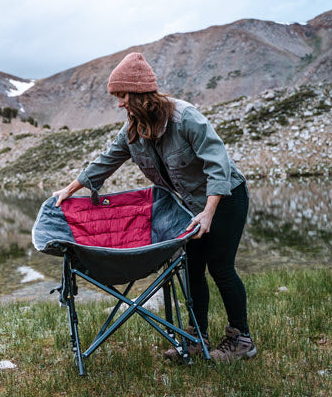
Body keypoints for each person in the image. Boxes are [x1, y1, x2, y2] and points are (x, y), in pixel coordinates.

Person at [52, 52, 256, 363]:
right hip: (189, 206)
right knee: (192, 270)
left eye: (122, 96)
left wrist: (209, 213)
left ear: (139, 94)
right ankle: (196, 339)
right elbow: (105, 161)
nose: (119, 103)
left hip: (225, 199)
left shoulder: (185, 118)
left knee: (221, 267)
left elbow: (219, 166)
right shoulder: (133, 130)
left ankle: (241, 340)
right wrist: (68, 190)